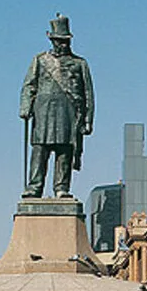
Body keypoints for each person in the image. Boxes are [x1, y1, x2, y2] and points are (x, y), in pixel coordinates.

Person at [20, 14, 95, 199]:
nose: (62, 44)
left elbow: (88, 94)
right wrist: (25, 106)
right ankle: (35, 187)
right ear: (52, 41)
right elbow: (29, 85)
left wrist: (88, 120)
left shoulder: (80, 63)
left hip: (68, 114)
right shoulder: (40, 60)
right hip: (43, 112)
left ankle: (61, 188)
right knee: (40, 150)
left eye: (65, 41)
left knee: (65, 151)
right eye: (59, 41)